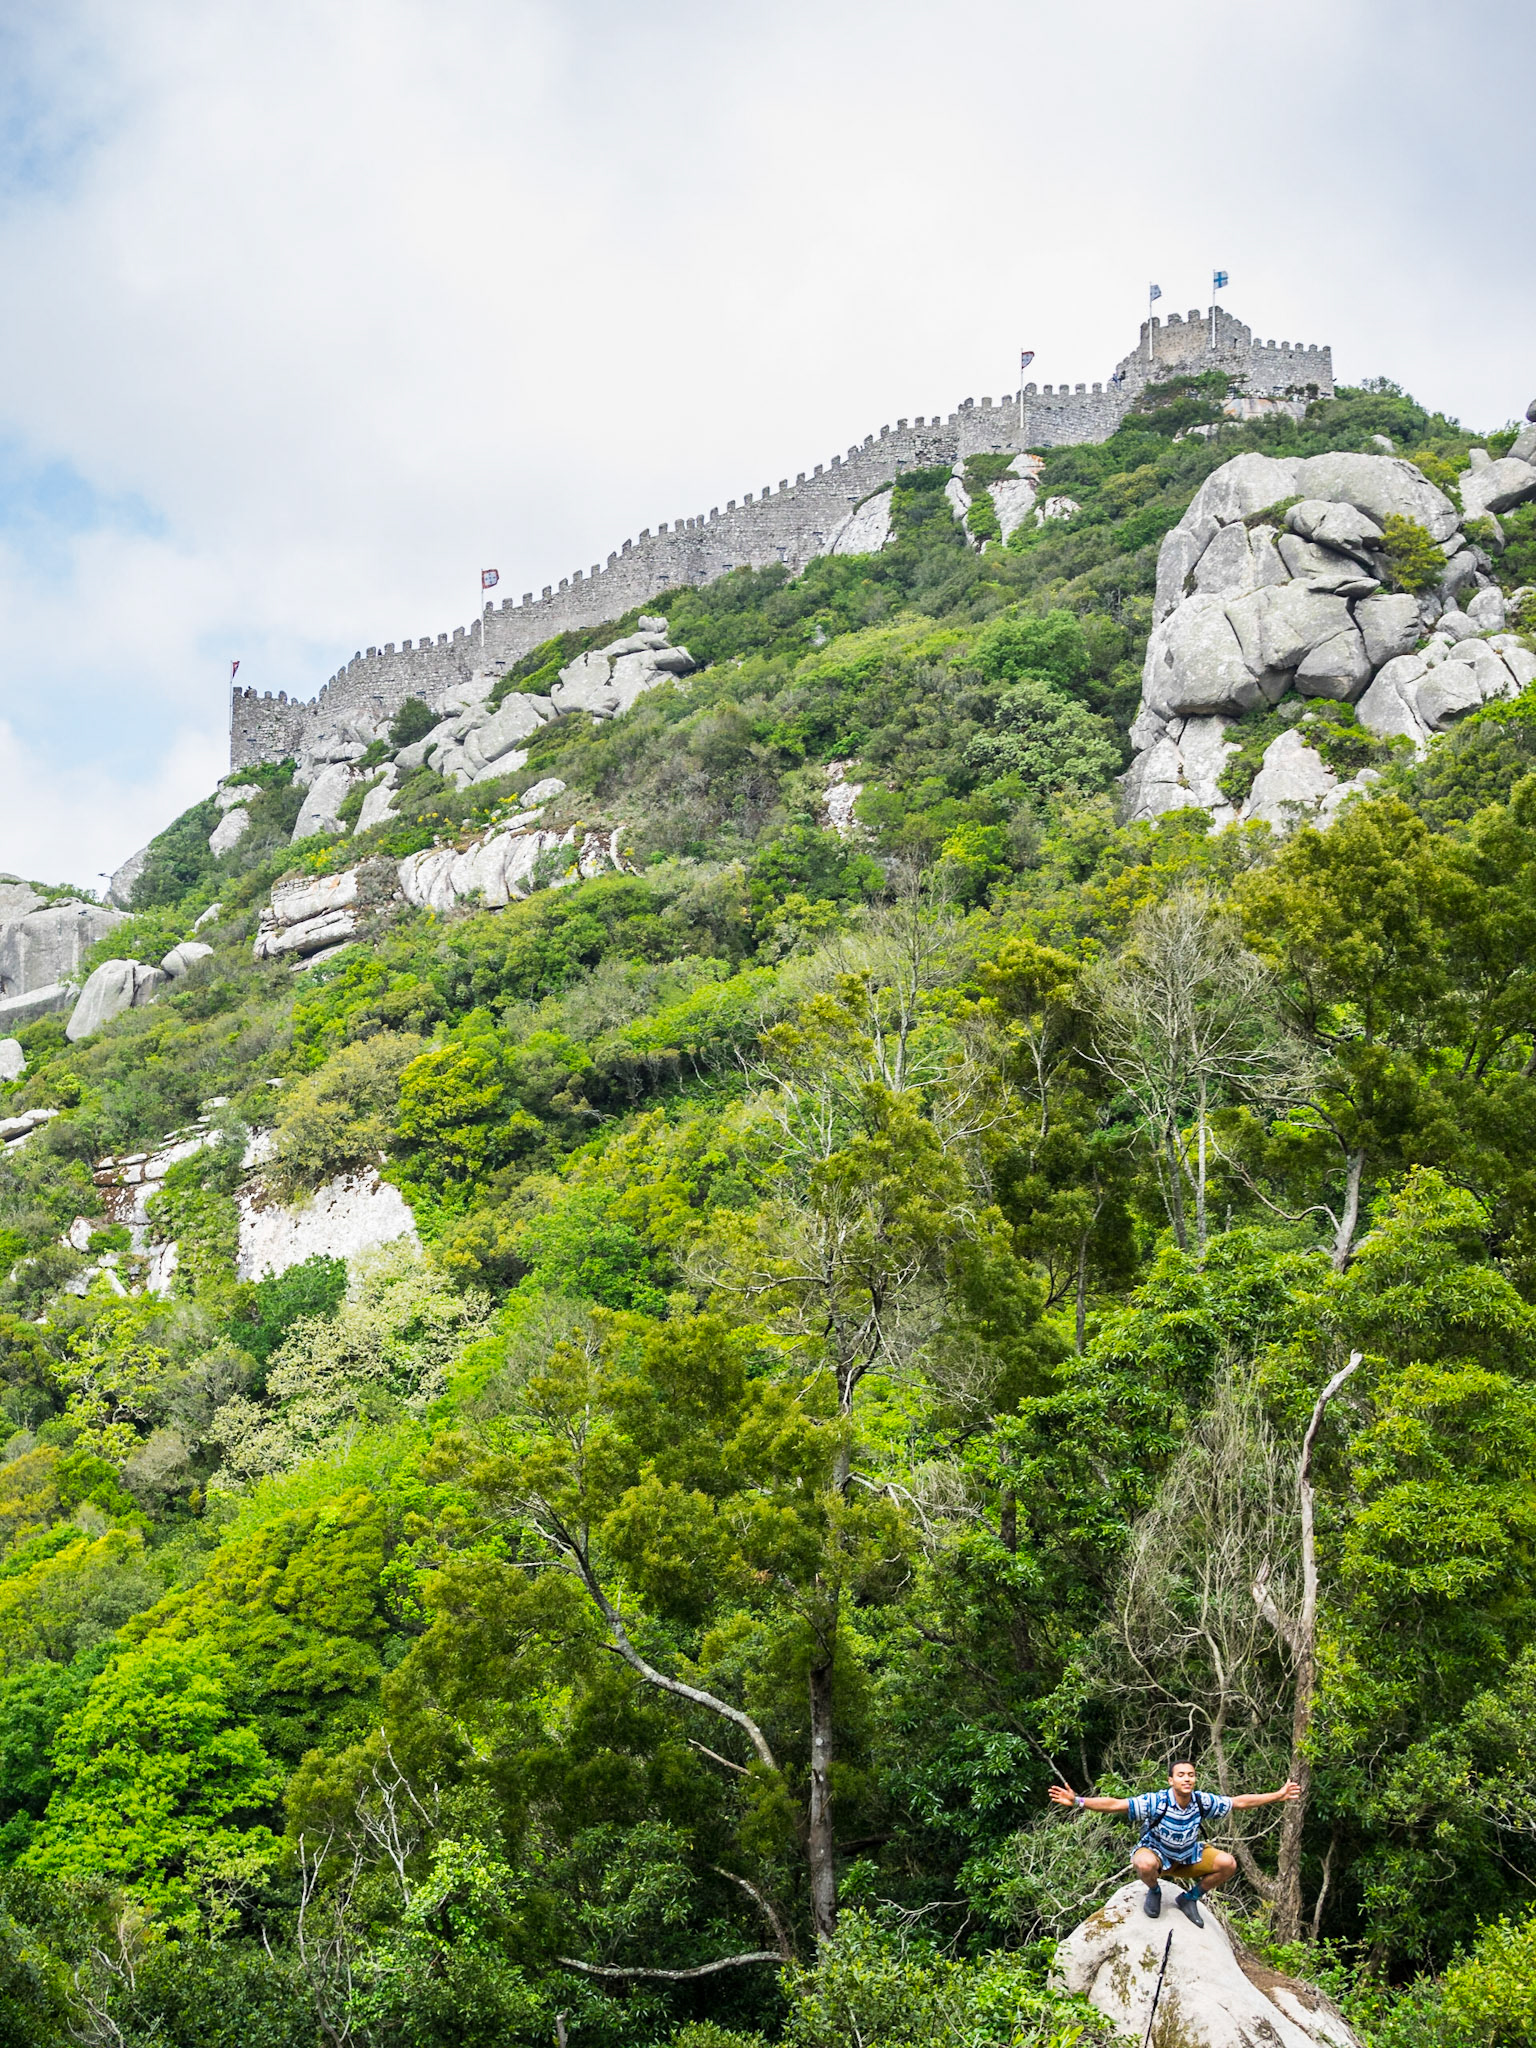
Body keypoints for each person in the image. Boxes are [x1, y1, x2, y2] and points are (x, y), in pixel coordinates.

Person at [1047, 1761, 1301, 1926]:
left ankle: (1189, 1898)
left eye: (1191, 1775)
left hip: (1188, 1856)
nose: (1187, 1779)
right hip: (1158, 1855)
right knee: (1144, 1864)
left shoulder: (1202, 1801)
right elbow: (1116, 1804)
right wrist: (1078, 1801)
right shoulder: (1156, 1801)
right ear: (1171, 1780)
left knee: (1228, 1864)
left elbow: (1239, 1802)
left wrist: (1278, 1796)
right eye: (1181, 1775)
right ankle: (1154, 1891)